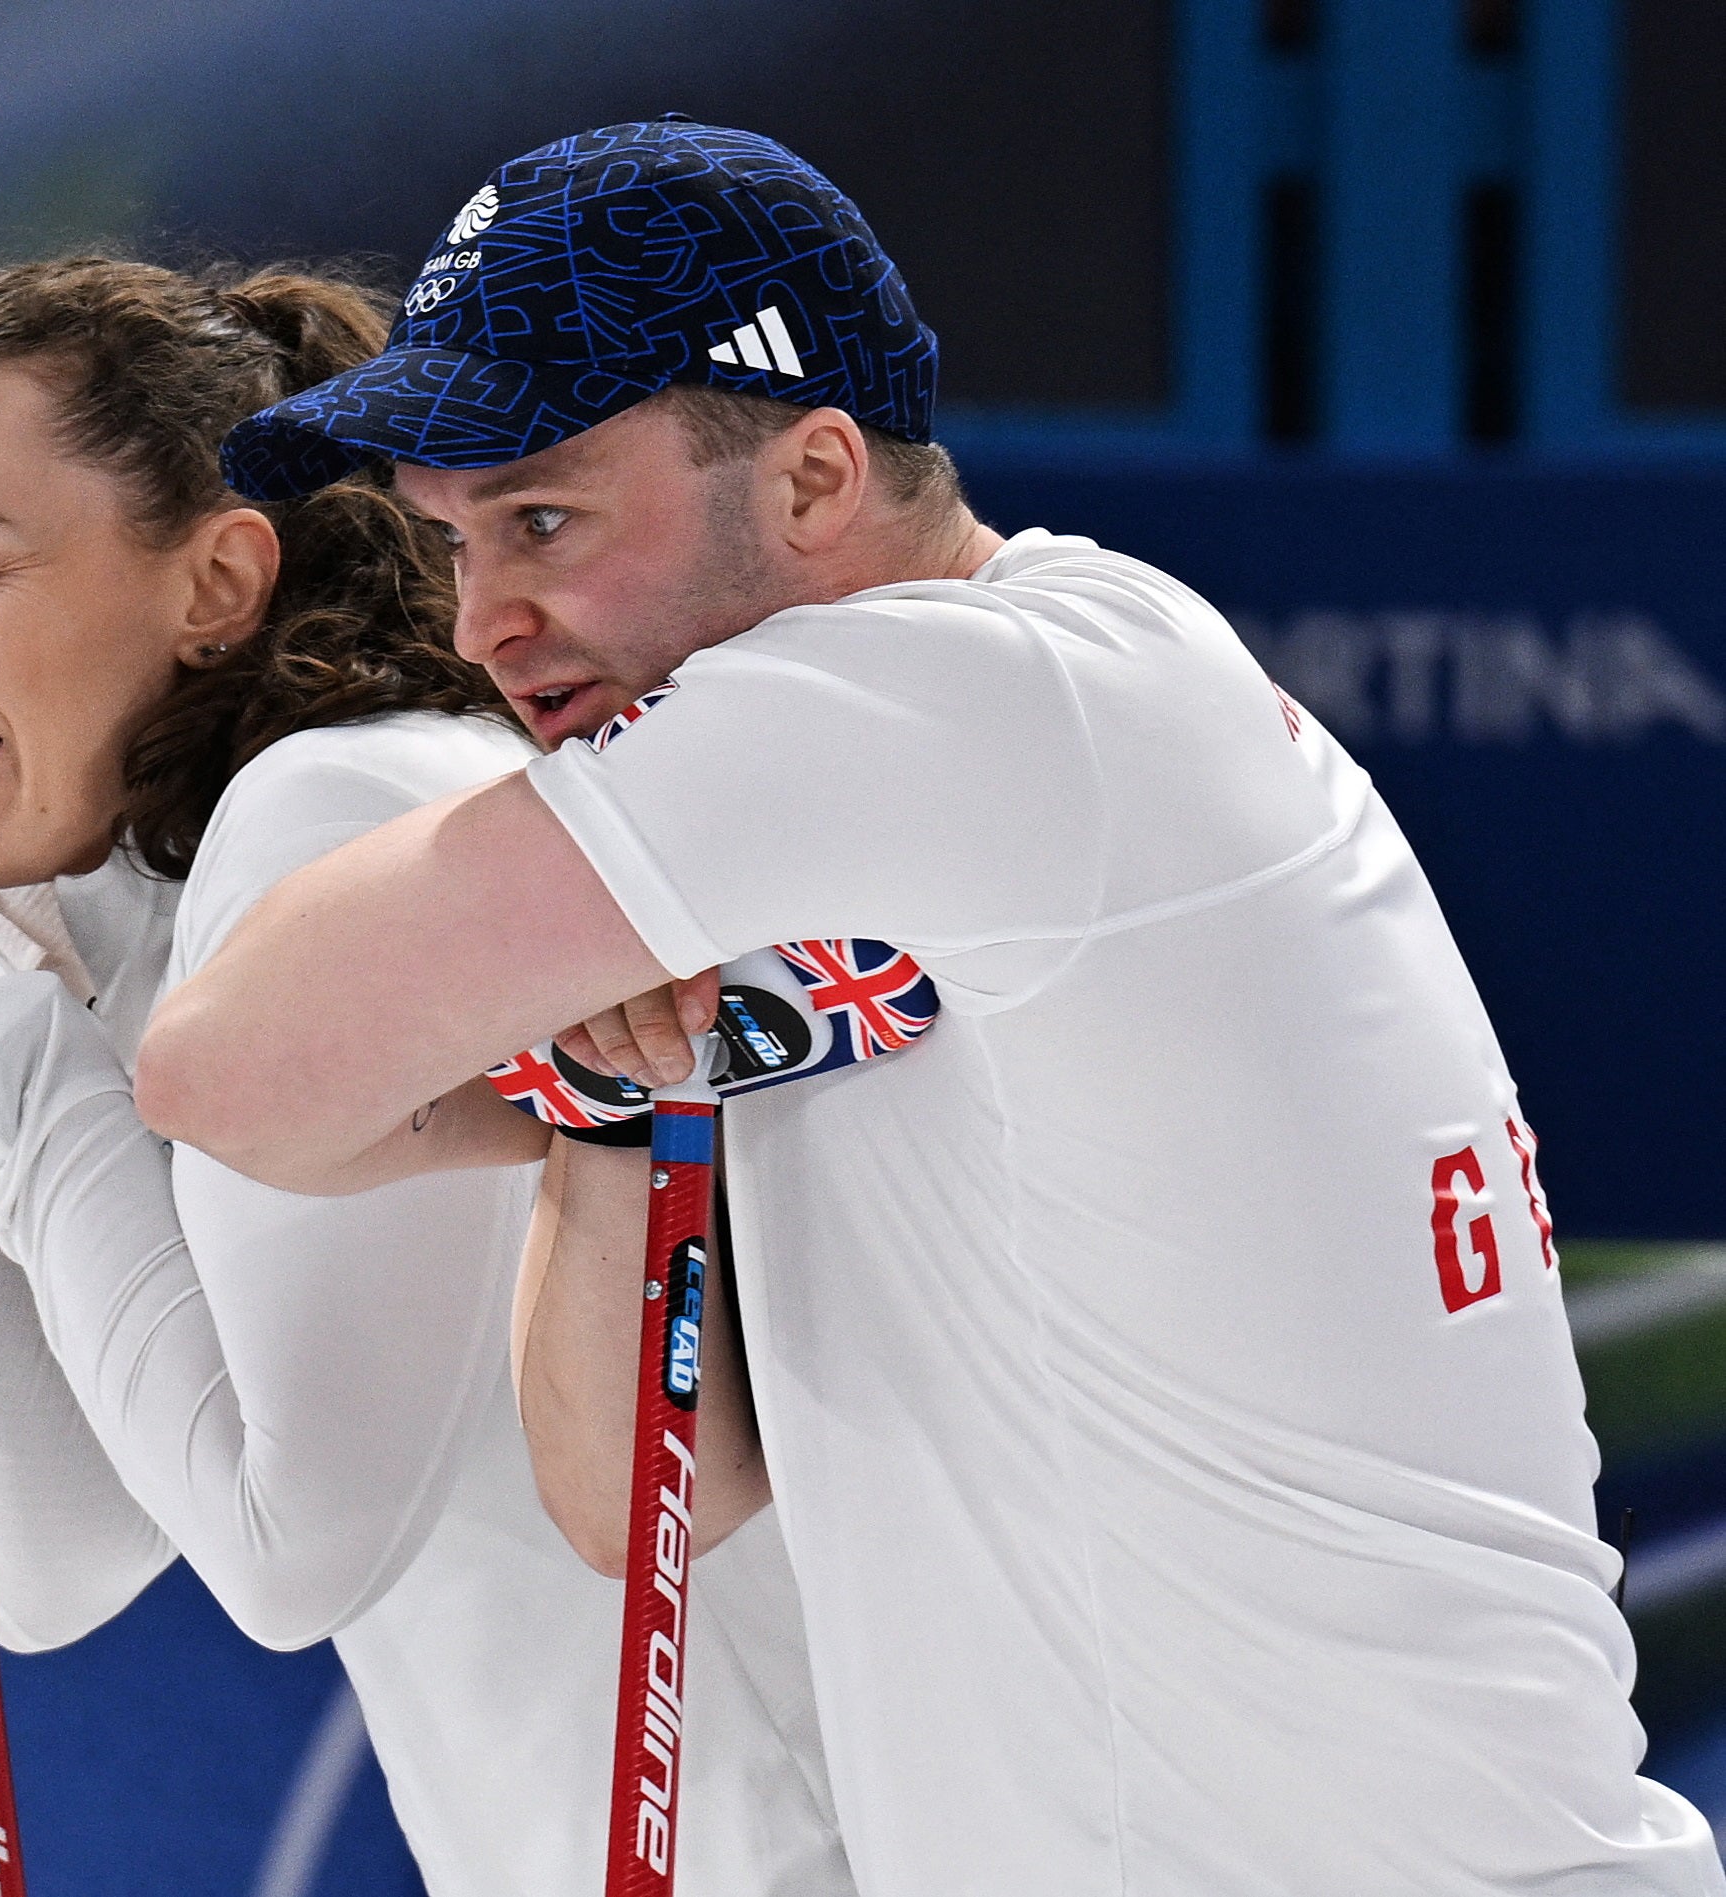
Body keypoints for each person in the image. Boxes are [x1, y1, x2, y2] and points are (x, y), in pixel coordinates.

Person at [138, 120, 1726, 1894]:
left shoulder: (952, 697)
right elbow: (630, 1497)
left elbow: (227, 1070)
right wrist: (593, 1098)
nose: (488, 619)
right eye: (450, 544)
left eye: (546, 518)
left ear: (814, 479)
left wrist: (489, 1031)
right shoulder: (956, 771)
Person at [0, 255, 851, 1893]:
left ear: (217, 581)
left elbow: (289, 1548)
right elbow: (42, 1570)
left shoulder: (345, 816)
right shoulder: (110, 906)